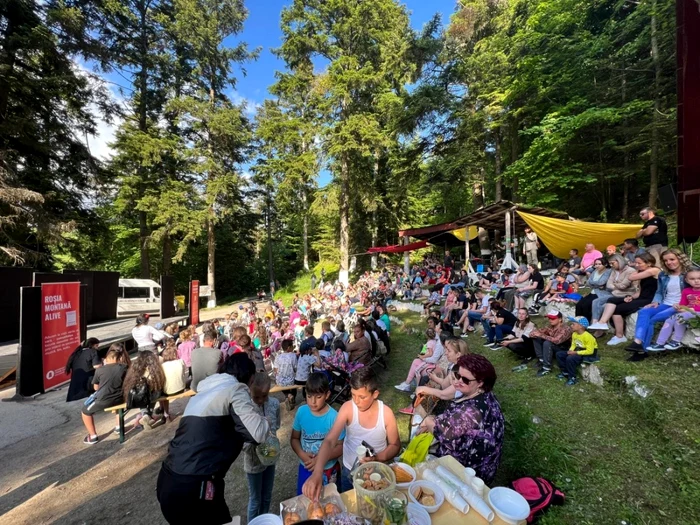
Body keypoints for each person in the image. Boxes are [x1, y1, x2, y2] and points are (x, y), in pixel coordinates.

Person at [157, 354, 269, 525]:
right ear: (250, 378)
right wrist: (265, 419)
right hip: (194, 487)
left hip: (168, 481)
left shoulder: (204, 393)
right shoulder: (235, 389)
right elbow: (258, 433)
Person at [302, 367, 401, 498]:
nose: (356, 401)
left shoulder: (386, 414)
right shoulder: (348, 408)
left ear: (375, 394)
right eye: (353, 395)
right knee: (349, 505)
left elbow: (395, 445)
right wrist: (317, 472)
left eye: (362, 397)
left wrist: (377, 458)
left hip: (376, 473)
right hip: (349, 470)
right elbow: (330, 440)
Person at [416, 354, 505, 484]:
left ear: (480, 382)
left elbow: (443, 434)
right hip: (475, 459)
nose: (458, 381)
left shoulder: (473, 410)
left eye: (465, 380)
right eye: (457, 375)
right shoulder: (484, 395)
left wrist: (429, 420)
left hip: (469, 473)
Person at [625, 249, 691, 352]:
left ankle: (643, 350)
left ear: (680, 258)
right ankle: (637, 342)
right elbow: (659, 291)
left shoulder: (690, 274)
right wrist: (656, 301)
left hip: (680, 306)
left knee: (652, 320)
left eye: (672, 259)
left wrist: (687, 306)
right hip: (665, 303)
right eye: (665, 261)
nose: (669, 262)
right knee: (644, 311)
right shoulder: (663, 275)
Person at [588, 252, 661, 346]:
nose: (636, 265)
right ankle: (602, 322)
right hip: (641, 297)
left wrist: (636, 270)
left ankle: (619, 336)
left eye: (639, 263)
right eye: (636, 263)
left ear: (649, 263)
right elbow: (639, 292)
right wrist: (630, 297)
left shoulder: (654, 270)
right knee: (612, 300)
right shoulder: (642, 273)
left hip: (650, 299)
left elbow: (631, 277)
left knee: (617, 309)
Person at [291, 373, 344, 495]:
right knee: (307, 500)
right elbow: (294, 438)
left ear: (327, 395)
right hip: (306, 467)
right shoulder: (301, 412)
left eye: (318, 397)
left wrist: (320, 460)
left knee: (330, 503)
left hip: (329, 469)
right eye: (309, 396)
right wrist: (302, 454)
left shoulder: (334, 417)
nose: (313, 402)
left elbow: (341, 446)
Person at [243, 373, 280, 521]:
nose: (260, 401)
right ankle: (253, 522)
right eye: (256, 397)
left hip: (270, 455)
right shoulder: (246, 409)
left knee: (266, 496)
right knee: (255, 499)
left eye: (264, 396)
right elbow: (243, 441)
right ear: (249, 391)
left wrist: (270, 439)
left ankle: (264, 520)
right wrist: (255, 441)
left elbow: (276, 425)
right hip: (253, 462)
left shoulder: (274, 404)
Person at [80, 344, 128, 445]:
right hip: (120, 398)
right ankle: (119, 427)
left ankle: (92, 436)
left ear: (107, 358)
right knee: (117, 407)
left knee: (85, 411)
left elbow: (96, 388)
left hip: (104, 399)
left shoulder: (100, 370)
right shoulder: (124, 367)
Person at [123, 350, 166, 429]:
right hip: (152, 395)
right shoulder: (154, 369)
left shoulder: (135, 368)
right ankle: (147, 415)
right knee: (154, 393)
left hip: (138, 396)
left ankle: (145, 414)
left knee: (142, 396)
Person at [556, 317, 598, 386]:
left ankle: (572, 377)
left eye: (573, 324)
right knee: (559, 354)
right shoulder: (574, 334)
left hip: (588, 354)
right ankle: (565, 372)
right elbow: (573, 344)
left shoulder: (588, 337)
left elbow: (590, 351)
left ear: (581, 326)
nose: (571, 326)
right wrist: (570, 350)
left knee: (570, 358)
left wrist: (575, 353)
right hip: (579, 350)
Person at [530, 310, 573, 377]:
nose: (550, 320)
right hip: (554, 347)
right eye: (549, 318)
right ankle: (541, 359)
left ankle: (546, 367)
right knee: (536, 337)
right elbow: (536, 332)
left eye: (553, 318)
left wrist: (541, 335)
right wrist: (534, 333)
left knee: (547, 342)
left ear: (560, 319)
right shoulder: (550, 326)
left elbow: (557, 340)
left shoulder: (566, 329)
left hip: (563, 350)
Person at [65, 337, 101, 402]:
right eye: (96, 346)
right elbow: (97, 366)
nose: (97, 348)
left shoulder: (77, 353)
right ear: (92, 345)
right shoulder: (93, 351)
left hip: (75, 387)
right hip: (88, 383)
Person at [160, 341, 187, 421]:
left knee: (163, 393)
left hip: (168, 391)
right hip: (181, 388)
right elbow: (184, 374)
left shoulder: (162, 366)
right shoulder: (180, 361)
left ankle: (166, 413)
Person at [275, 339, 298, 410]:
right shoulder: (293, 355)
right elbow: (295, 368)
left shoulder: (278, 356)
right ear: (288, 347)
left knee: (280, 383)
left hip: (280, 381)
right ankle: (291, 395)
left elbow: (276, 369)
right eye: (292, 346)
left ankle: (288, 395)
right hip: (291, 380)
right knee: (295, 384)